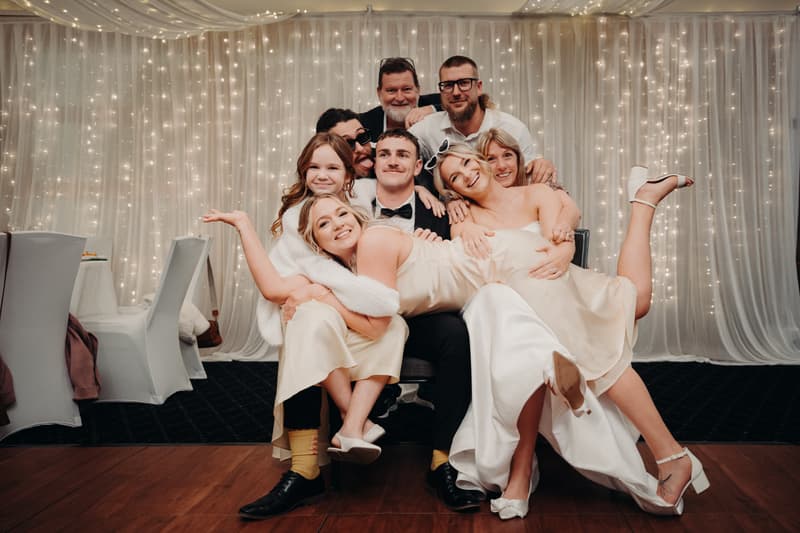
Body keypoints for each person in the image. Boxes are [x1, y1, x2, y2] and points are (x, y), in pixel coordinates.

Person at [295, 143, 708, 518]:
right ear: (314, 243)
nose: (337, 226)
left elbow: (377, 323)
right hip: (499, 270)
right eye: (324, 225)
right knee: (625, 303)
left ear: (355, 213)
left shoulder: (371, 244)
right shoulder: (358, 264)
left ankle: (669, 454)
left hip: (505, 263)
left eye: (340, 215)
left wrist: (325, 299)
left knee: (601, 343)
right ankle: (642, 204)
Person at [210, 132, 406, 520]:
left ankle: (350, 426)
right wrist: (310, 290)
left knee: (393, 325)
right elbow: (284, 285)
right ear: (302, 171)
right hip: (320, 312)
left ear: (348, 173)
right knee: (308, 323)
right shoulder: (298, 215)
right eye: (313, 167)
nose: (322, 175)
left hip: (353, 311)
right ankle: (311, 463)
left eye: (332, 167)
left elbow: (365, 273)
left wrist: (325, 293)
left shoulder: (360, 202)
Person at [409, 55, 556, 184]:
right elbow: (392, 160)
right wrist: (418, 190)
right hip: (450, 212)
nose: (455, 92)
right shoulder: (426, 129)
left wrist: (543, 168)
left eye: (464, 83)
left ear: (478, 87)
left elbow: (530, 177)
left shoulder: (512, 128)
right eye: (448, 85)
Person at [359, 57, 441, 142]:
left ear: (418, 90)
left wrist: (433, 109)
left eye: (406, 89)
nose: (400, 98)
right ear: (379, 93)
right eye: (391, 90)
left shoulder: (435, 104)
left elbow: (453, 108)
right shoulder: (365, 123)